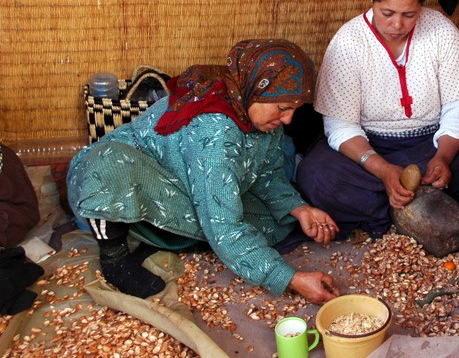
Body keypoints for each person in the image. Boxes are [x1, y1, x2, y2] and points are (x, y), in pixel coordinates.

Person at [67, 39, 340, 304]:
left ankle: (171, 235)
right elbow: (224, 224)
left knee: (272, 222)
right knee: (110, 163)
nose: (287, 119)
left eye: (294, 110)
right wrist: (290, 278)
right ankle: (115, 258)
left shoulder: (253, 110)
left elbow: (266, 174)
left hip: (183, 181)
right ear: (257, 89)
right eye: (282, 108)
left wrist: (298, 208)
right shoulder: (215, 132)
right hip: (129, 177)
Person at [296, 0, 459, 240]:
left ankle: (402, 215)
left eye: (409, 14)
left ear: (421, 6)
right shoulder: (349, 42)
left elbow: (458, 107)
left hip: (431, 142)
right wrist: (383, 171)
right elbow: (340, 126)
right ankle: (423, 215)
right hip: (369, 145)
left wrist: (444, 157)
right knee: (318, 177)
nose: (397, 25)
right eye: (388, 13)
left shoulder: (441, 32)